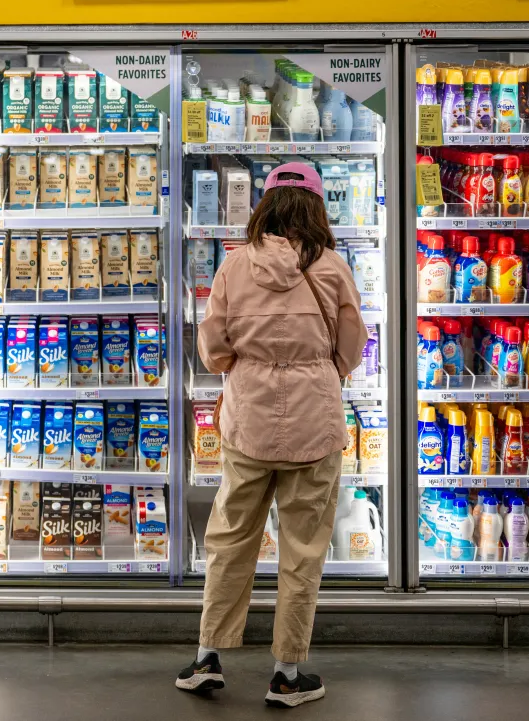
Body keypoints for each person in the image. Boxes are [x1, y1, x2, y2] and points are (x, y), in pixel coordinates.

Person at [175, 161, 369, 708]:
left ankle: (208, 657)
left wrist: (247, 365)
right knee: (302, 548)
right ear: (315, 207)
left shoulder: (234, 267)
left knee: (230, 538)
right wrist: (322, 367)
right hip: (315, 419)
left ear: (264, 206)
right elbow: (351, 347)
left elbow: (213, 345)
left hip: (249, 420)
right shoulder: (331, 267)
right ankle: (286, 673)